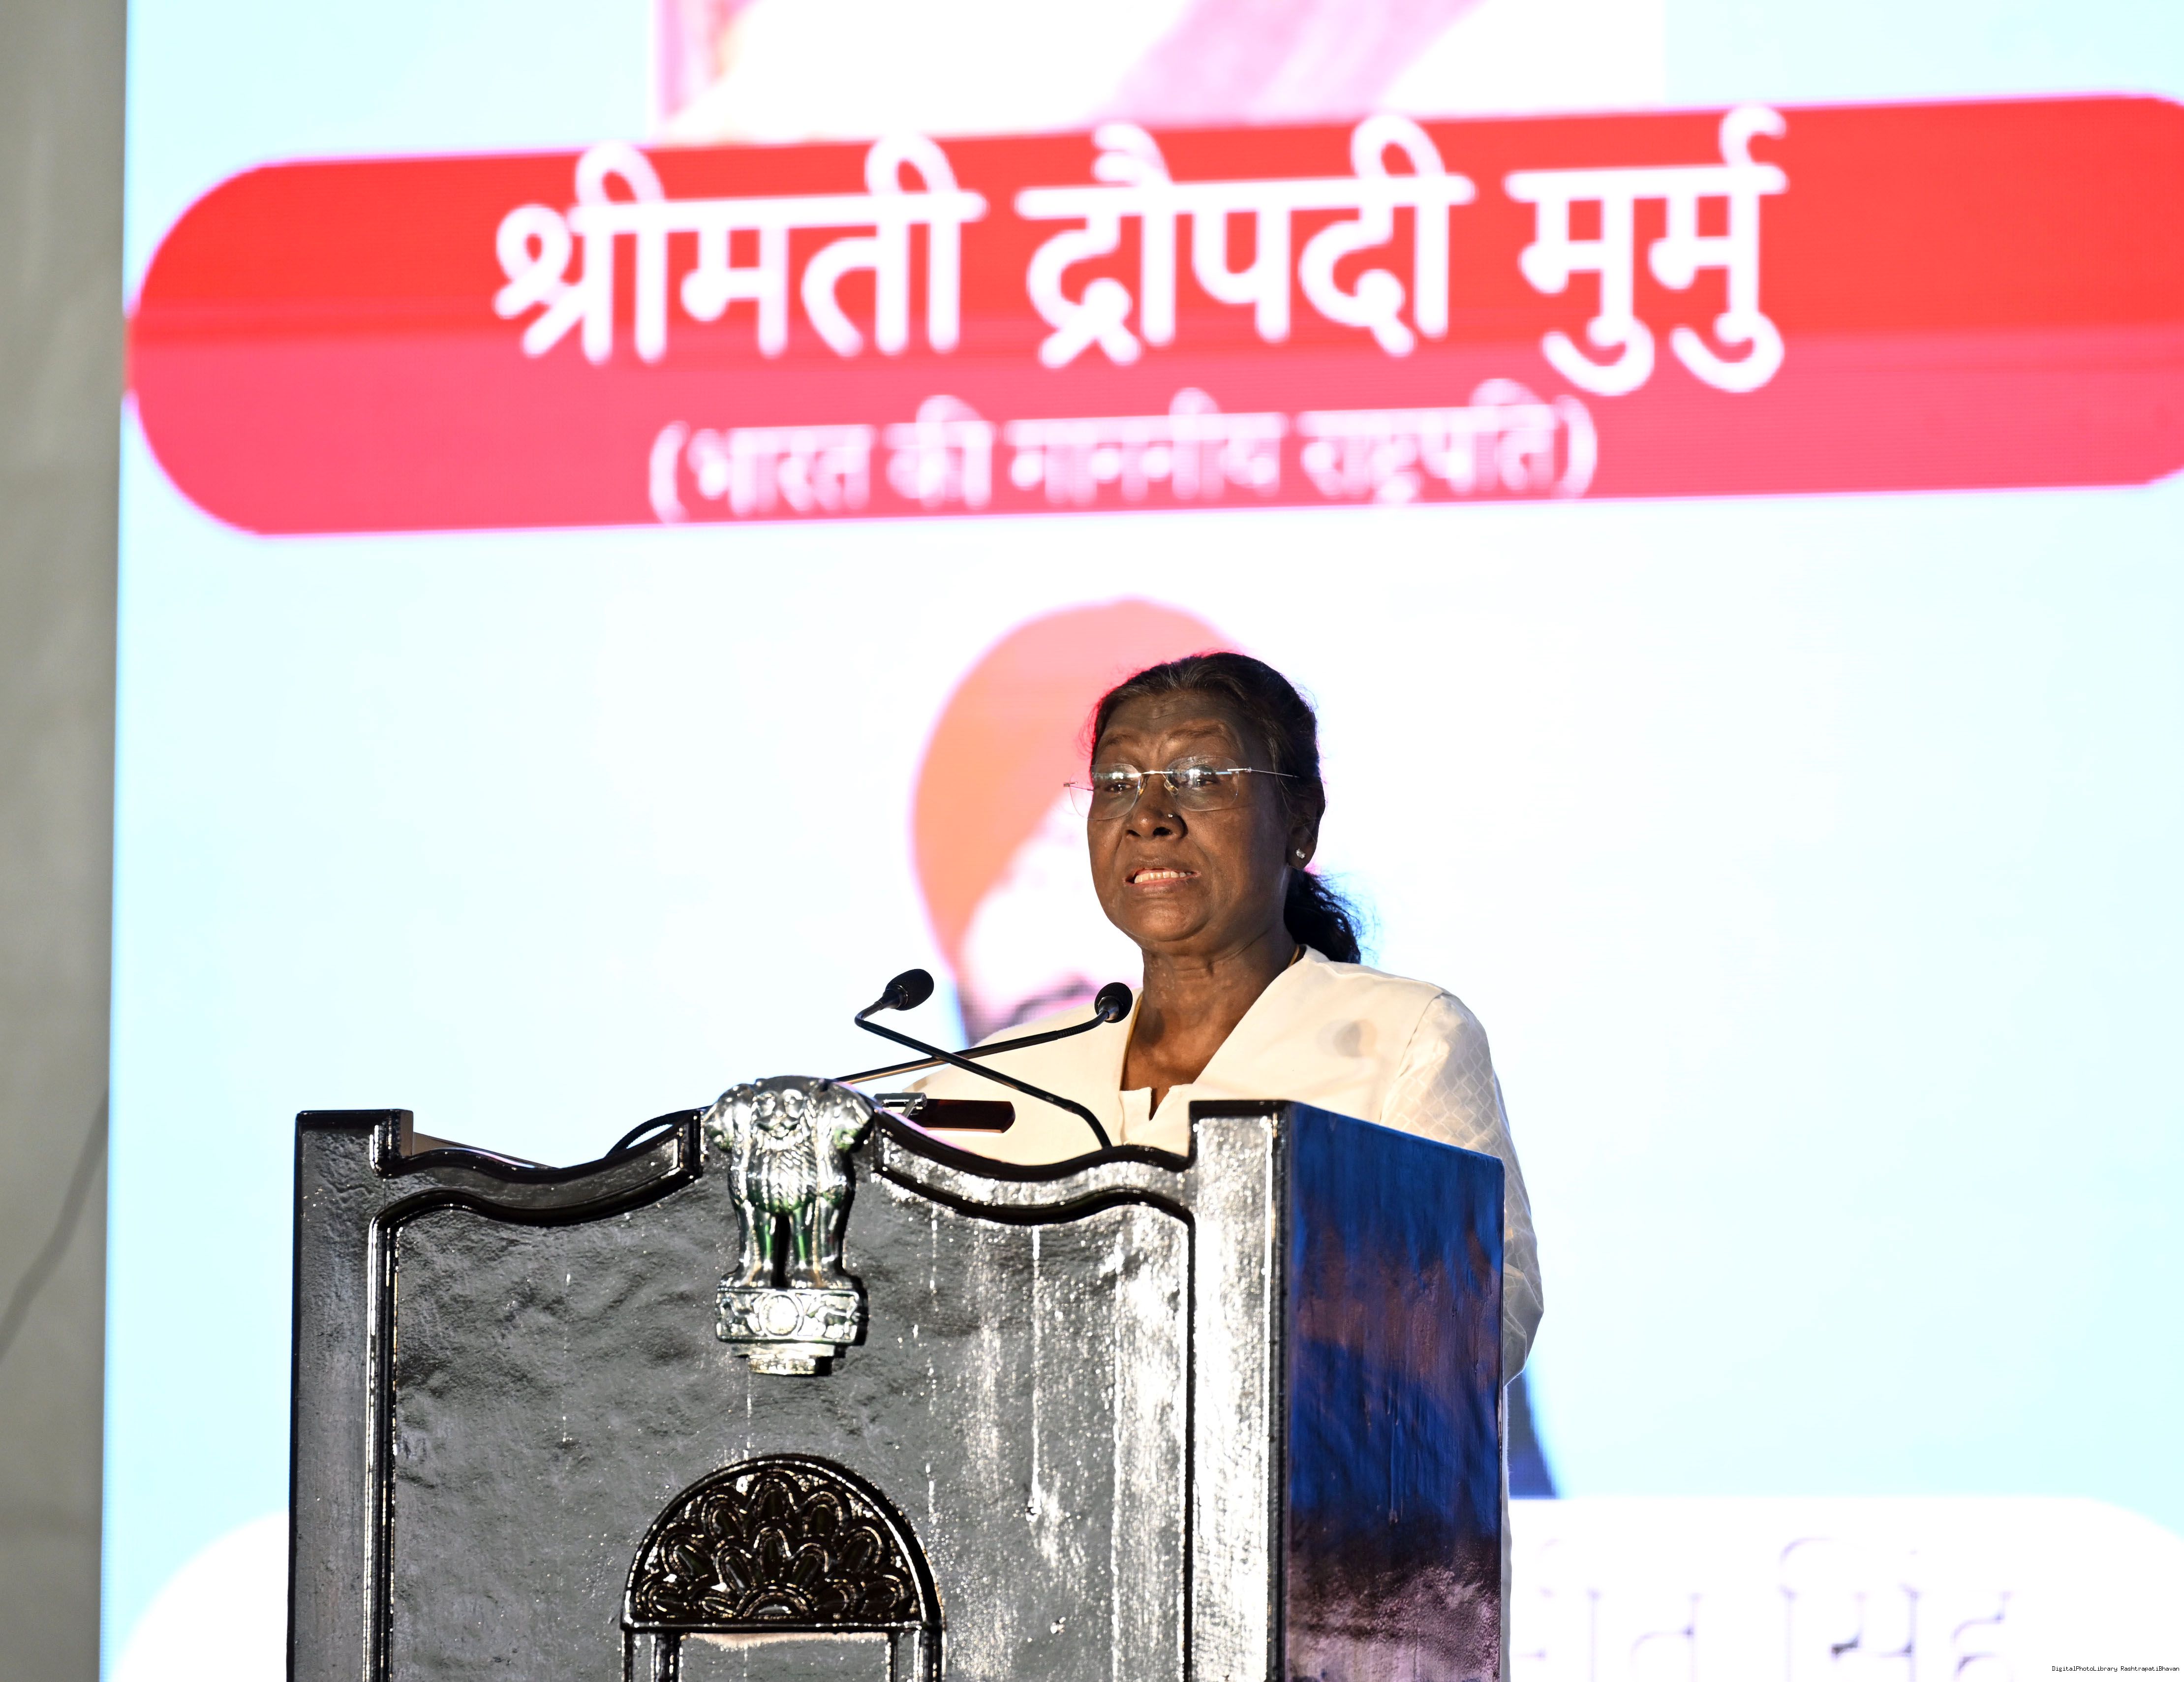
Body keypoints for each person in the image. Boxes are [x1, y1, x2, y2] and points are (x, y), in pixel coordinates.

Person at [907, 649, 1545, 1636]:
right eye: (1117, 782)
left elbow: (1485, 1317)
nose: (1150, 814)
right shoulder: (989, 1085)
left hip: (1313, 1596)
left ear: (1301, 823)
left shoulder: (1400, 1037)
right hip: (1036, 1609)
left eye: (1202, 776)